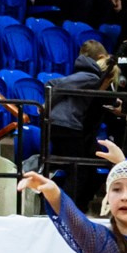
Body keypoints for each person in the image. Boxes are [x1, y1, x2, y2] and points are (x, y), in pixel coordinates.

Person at [41, 40, 114, 208]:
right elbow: (53, 85)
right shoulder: (90, 76)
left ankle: (70, 207)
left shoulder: (84, 74)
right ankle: (67, 209)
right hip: (67, 126)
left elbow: (55, 84)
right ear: (101, 57)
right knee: (78, 170)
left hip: (64, 125)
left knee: (80, 168)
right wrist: (48, 105)